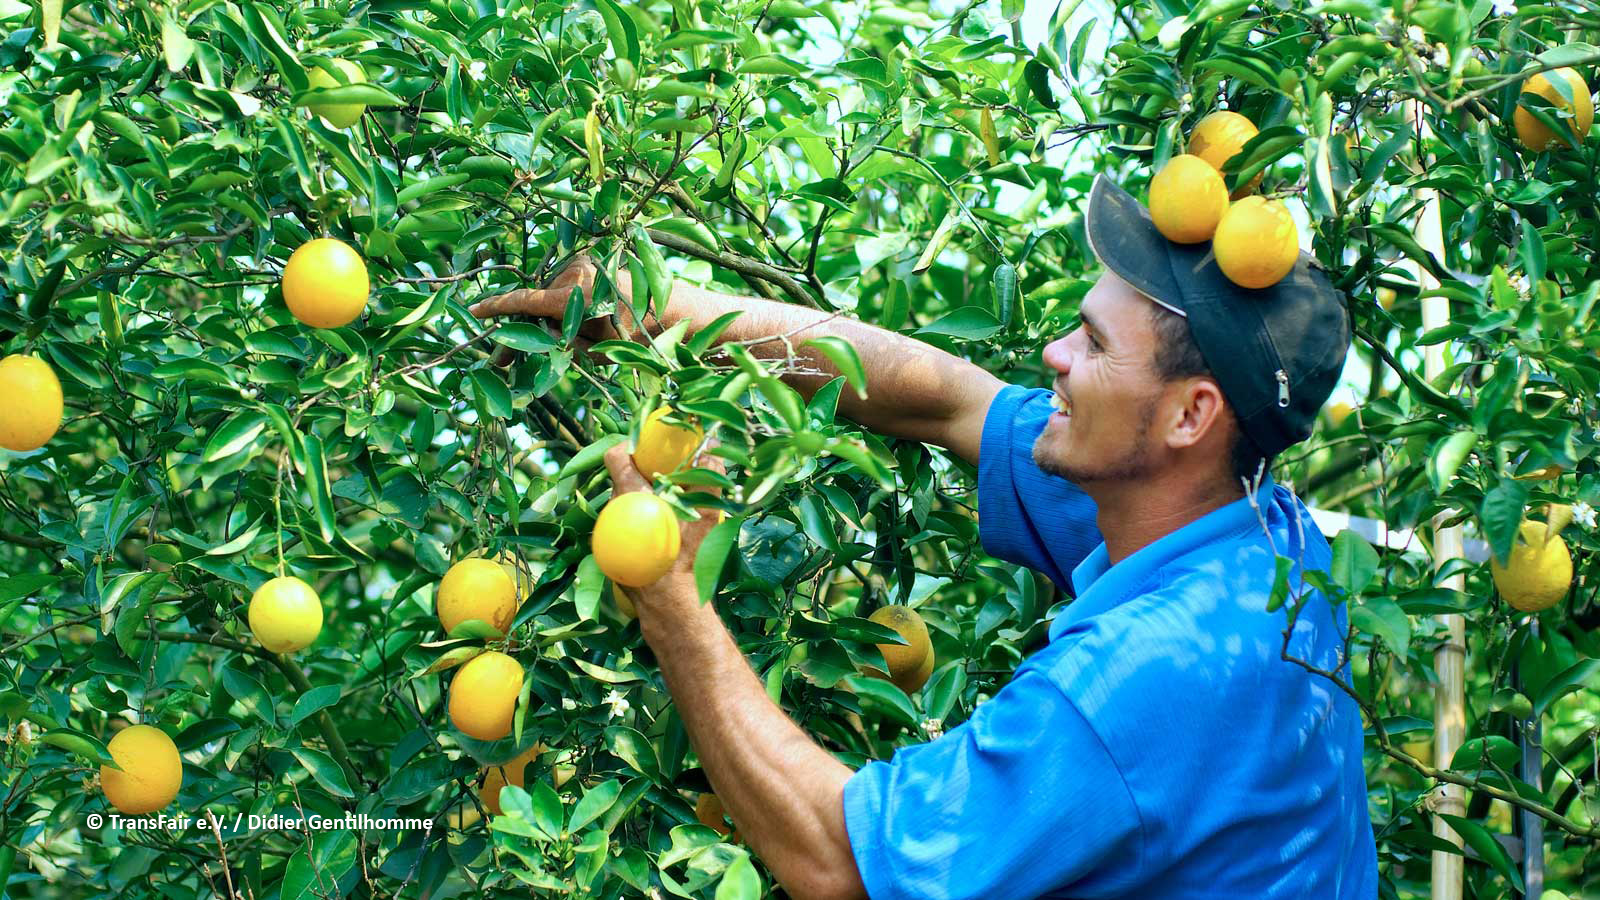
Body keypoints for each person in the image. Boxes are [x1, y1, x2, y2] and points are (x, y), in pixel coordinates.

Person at [469, 174, 1378, 899]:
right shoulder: (1262, 539)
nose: (1055, 354)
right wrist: (668, 313)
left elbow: (844, 863)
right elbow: (949, 395)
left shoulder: (1138, 682)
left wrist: (673, 603)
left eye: (1095, 346)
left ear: (1190, 414)